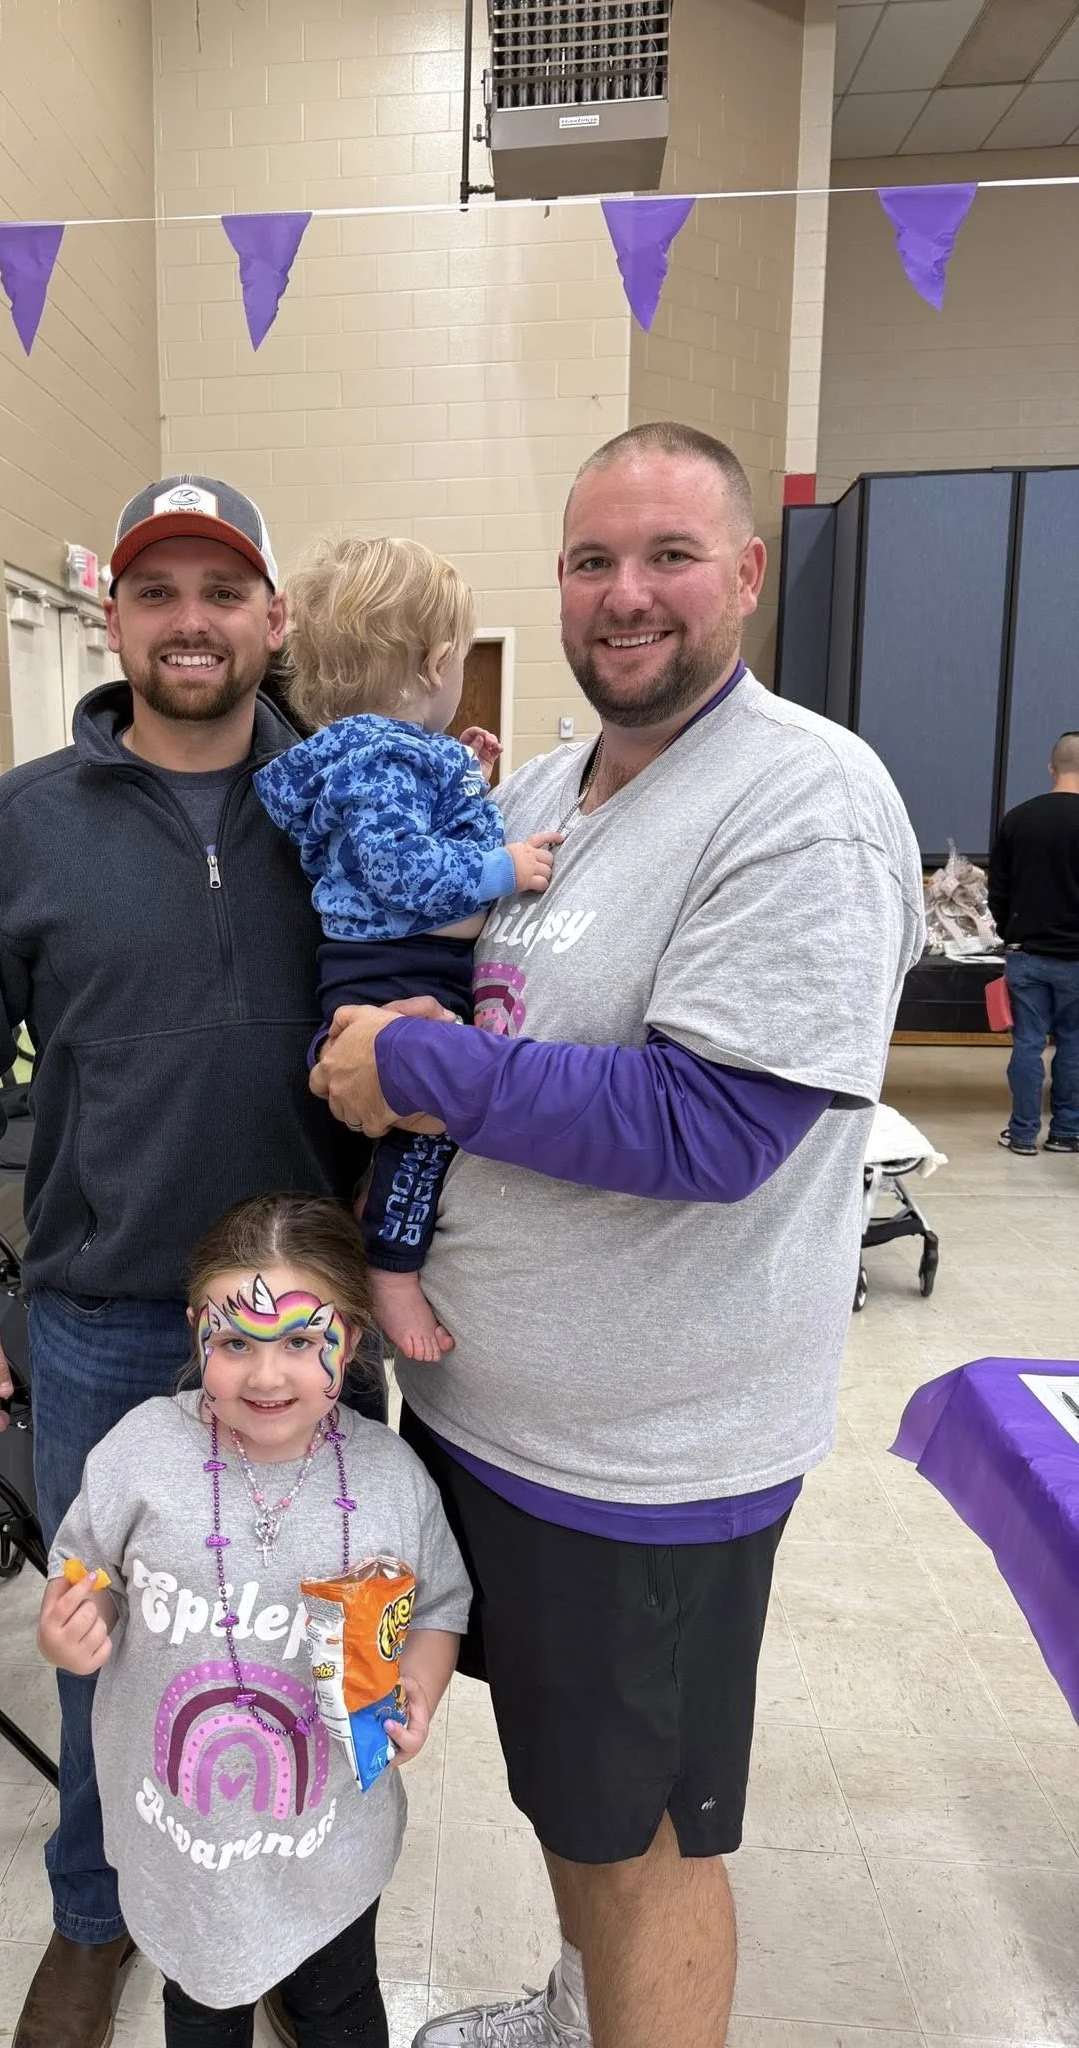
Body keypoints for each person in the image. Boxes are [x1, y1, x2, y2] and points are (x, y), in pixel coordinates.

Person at [309, 422, 924, 2048]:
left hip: (645, 1469)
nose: (625, 593)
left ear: (743, 572)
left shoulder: (804, 796)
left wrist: (413, 1064)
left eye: (666, 556)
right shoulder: (539, 792)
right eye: (592, 560)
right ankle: (579, 2008)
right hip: (484, 1425)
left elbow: (709, 1129)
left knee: (641, 1836)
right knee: (566, 1800)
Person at [0, 476, 369, 2048]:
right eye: (159, 592)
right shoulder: (23, 826)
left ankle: (302, 1910)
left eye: (225, 590)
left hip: (314, 1331)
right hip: (98, 1324)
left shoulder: (342, 802)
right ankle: (97, 1915)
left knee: (318, 1626)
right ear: (116, 623)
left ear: (272, 620)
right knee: (113, 1646)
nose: (193, 622)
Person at [37, 1193, 470, 2048]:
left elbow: (441, 1606)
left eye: (302, 1343)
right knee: (202, 2008)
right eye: (236, 1343)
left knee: (339, 2004)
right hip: (178, 1837)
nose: (266, 1377)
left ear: (351, 1336)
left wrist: (417, 1684)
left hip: (332, 1836)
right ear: (198, 1328)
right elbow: (84, 1565)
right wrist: (75, 1616)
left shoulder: (390, 1478)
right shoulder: (141, 1452)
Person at [254, 537, 560, 1361]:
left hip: (386, 961)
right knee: (425, 1126)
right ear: (436, 661)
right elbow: (406, 871)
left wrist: (462, 772)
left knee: (399, 1122)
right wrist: (508, 865)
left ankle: (372, 1213)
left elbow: (396, 833)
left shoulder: (376, 758)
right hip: (397, 968)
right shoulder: (381, 760)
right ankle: (392, 1268)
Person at [986, 730, 1079, 1155]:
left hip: (1028, 955)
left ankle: (1022, 1134)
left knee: (1027, 1044)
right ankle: (1066, 1131)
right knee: (1075, 1046)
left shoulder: (1018, 819)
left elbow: (997, 890)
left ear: (1050, 768)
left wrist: (1012, 933)